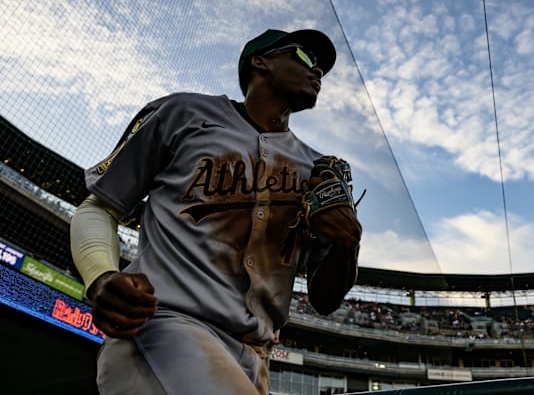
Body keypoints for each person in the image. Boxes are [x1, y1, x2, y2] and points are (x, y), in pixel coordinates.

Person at [70, 28, 362, 394]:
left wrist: (347, 242)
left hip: (254, 356)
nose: (317, 71)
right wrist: (99, 276)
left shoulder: (316, 169)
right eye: (305, 57)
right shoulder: (183, 113)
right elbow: (100, 205)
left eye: (321, 67)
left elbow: (325, 299)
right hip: (164, 324)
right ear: (262, 61)